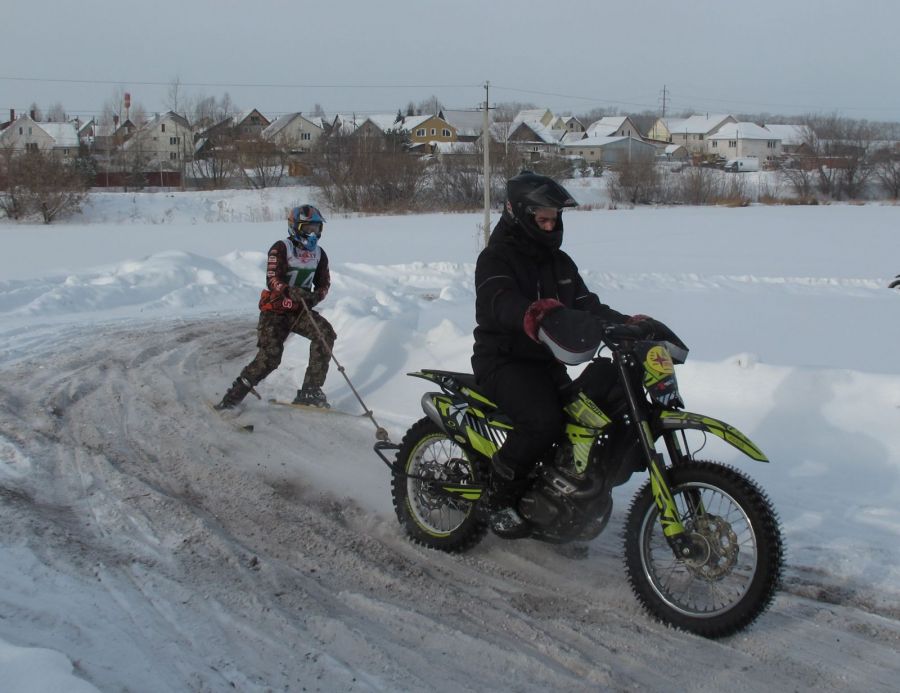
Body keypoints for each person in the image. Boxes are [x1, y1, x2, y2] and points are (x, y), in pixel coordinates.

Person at [472, 171, 644, 539]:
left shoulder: (560, 264)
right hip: (503, 361)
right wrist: (531, 314)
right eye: (543, 220)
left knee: (588, 416)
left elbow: (587, 305)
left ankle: (559, 502)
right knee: (543, 422)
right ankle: (496, 498)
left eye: (555, 219)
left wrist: (628, 324)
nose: (551, 227)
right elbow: (499, 300)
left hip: (547, 364)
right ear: (520, 215)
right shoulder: (496, 258)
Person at [215, 204, 336, 410]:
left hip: (300, 312)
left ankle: (310, 390)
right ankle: (233, 397)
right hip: (275, 310)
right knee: (270, 357)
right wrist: (289, 290)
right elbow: (272, 279)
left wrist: (316, 296)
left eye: (316, 229)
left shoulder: (319, 253)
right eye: (308, 228)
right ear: (295, 227)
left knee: (325, 334)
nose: (312, 234)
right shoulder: (281, 248)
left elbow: (324, 283)